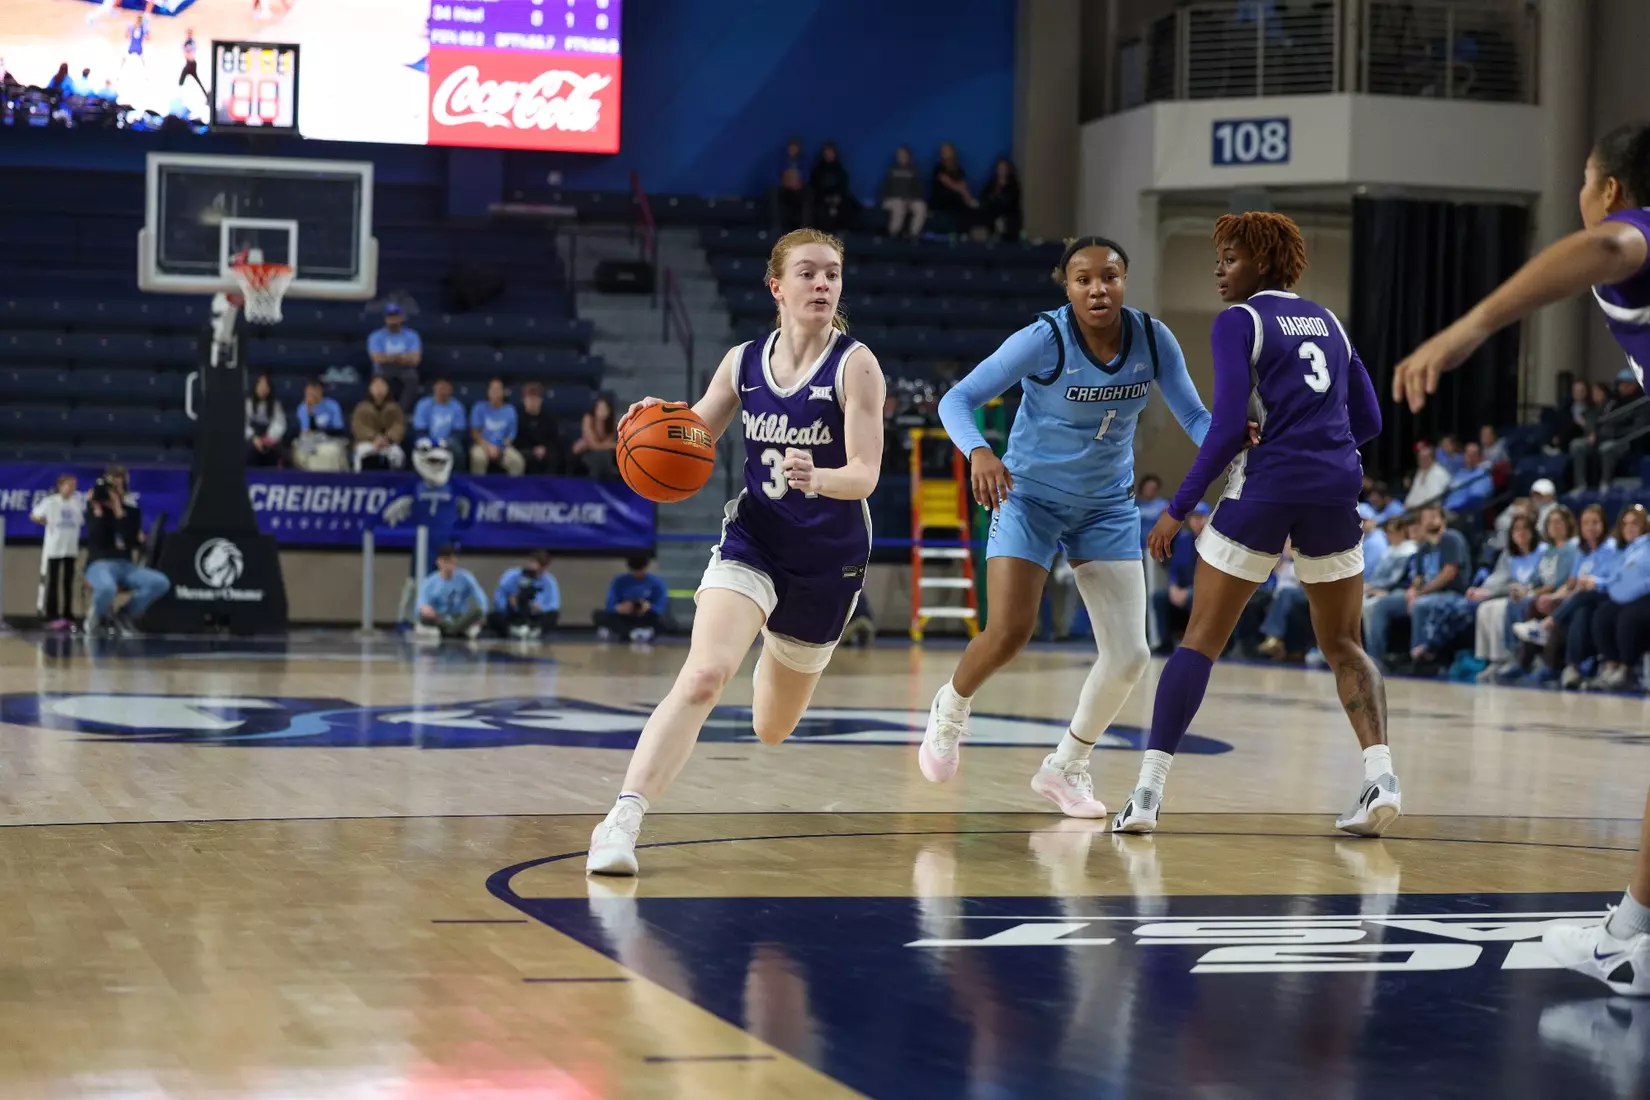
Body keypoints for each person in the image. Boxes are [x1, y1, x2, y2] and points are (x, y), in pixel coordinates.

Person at [1391, 122, 1650, 995]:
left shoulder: (1631, 231)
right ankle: (1631, 931)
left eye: (1584, 177)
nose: (1584, 193)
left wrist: (1467, 329)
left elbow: (1609, 247)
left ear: (1610, 188)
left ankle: (1630, 933)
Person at [586, 228, 886, 876]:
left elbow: (866, 473)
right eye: (807, 273)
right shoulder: (742, 361)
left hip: (830, 559)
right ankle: (621, 820)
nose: (822, 285)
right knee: (701, 675)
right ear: (777, 286)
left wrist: (822, 478)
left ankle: (773, 644)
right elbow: (692, 436)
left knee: (772, 729)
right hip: (756, 536)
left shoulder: (856, 365)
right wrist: (652, 421)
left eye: (832, 274)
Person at [920, 235, 1224, 820]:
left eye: (1109, 276)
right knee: (1010, 630)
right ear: (1067, 286)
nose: (1098, 288)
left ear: (1124, 281)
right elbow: (957, 400)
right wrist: (981, 451)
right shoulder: (1044, 338)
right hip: (1028, 496)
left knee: (1131, 654)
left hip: (1106, 506)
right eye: (1084, 279)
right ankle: (951, 709)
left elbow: (1192, 415)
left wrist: (1233, 443)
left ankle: (1065, 765)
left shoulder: (1153, 339)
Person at [1130, 211, 1396, 838]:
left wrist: (1176, 510)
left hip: (1267, 487)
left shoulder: (1239, 322)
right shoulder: (1330, 322)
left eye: (1229, 257)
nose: (1219, 269)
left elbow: (1227, 430)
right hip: (1335, 489)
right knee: (1343, 644)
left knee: (1199, 641)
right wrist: (1322, 449)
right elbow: (1372, 419)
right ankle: (1381, 777)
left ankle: (1146, 794)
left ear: (1262, 261)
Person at [1364, 501, 1470, 667]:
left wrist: (1422, 593)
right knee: (1381, 605)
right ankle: (1375, 659)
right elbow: (1418, 578)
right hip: (1425, 594)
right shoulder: (1424, 547)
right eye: (1426, 518)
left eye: (1434, 516)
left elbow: (1449, 572)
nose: (1431, 521)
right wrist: (1413, 591)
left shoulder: (1451, 538)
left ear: (1443, 519)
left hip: (1451, 593)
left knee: (1420, 605)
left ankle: (1418, 658)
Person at [82, 466, 169, 637]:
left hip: (126, 565)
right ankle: (97, 617)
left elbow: (131, 541)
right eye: (111, 488)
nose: (114, 493)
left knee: (160, 582)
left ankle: (124, 614)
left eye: (118, 487)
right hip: (99, 564)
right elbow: (97, 539)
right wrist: (98, 512)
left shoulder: (132, 512)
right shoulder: (94, 510)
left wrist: (118, 511)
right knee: (107, 588)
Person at [1151, 504, 1209, 654]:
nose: (1197, 521)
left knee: (1195, 599)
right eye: (1194, 518)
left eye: (1201, 517)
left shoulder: (1214, 543)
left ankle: (1196, 644)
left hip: (1204, 591)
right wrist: (1173, 587)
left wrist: (1190, 591)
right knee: (1160, 598)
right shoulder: (1183, 540)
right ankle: (1165, 643)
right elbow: (1175, 568)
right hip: (1182, 589)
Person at [31, 473, 82, 630]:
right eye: (68, 484)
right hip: (54, 547)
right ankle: (51, 613)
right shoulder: (50, 501)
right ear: (60, 486)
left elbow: (80, 521)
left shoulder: (77, 502)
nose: (71, 488)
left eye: (74, 485)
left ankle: (67, 612)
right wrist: (42, 520)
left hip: (70, 547)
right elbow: (34, 515)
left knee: (68, 582)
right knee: (52, 581)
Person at [414, 546, 488, 640]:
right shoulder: (430, 582)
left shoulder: (465, 577)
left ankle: (449, 630)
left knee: (477, 612)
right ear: (438, 562)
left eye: (451, 561)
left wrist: (483, 611)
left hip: (459, 616)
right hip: (440, 617)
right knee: (423, 618)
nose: (449, 564)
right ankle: (457, 630)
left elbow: (479, 595)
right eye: (445, 561)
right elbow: (421, 603)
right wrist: (425, 609)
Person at [596, 554, 670, 643]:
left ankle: (628, 632)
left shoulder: (657, 583)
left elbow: (661, 606)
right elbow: (610, 604)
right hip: (625, 616)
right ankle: (631, 633)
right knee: (599, 615)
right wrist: (619, 608)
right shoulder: (619, 581)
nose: (637, 573)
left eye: (640, 570)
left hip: (645, 616)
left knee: (663, 620)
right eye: (634, 570)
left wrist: (649, 607)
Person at [488, 550, 559, 639]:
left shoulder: (549, 581)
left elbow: (553, 605)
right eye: (530, 562)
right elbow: (498, 598)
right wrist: (509, 603)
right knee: (493, 616)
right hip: (513, 614)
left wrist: (541, 608)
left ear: (543, 568)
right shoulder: (511, 576)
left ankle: (535, 631)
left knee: (553, 616)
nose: (530, 566)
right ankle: (512, 630)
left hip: (534, 615)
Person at [368, 303, 423, 415]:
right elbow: (376, 358)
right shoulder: (376, 336)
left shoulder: (412, 335)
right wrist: (401, 357)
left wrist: (389, 357)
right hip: (383, 369)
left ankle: (399, 413)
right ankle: (384, 412)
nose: (392, 320)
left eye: (395, 317)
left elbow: (415, 359)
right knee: (378, 384)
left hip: (405, 368)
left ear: (401, 318)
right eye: (390, 317)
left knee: (412, 379)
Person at [468, 377, 524, 475]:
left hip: (503, 447)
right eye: (492, 389)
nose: (495, 392)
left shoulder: (510, 410)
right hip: (482, 444)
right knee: (478, 458)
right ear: (488, 392)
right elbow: (475, 433)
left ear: (503, 392)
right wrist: (488, 447)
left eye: (498, 389)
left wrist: (501, 448)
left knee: (517, 461)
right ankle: (478, 489)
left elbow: (510, 436)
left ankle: (513, 489)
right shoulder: (479, 408)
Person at [351, 374, 407, 470]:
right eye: (376, 386)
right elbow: (358, 427)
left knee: (398, 454)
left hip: (389, 443)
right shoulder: (361, 408)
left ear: (387, 389)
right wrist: (375, 438)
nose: (379, 389)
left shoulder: (395, 408)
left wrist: (387, 438)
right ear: (370, 388)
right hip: (367, 442)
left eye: (382, 386)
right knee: (361, 453)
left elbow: (399, 426)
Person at [292, 380, 348, 472]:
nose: (311, 393)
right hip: (309, 441)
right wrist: (310, 413)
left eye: (314, 390)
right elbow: (307, 432)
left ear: (320, 390)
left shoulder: (332, 405)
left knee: (331, 451)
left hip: (330, 440)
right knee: (304, 452)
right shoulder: (302, 408)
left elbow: (338, 429)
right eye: (308, 391)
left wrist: (322, 431)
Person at [929, 143, 979, 235]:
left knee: (974, 209)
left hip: (958, 204)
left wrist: (965, 195)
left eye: (949, 152)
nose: (947, 155)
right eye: (944, 152)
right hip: (942, 204)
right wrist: (958, 187)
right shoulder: (938, 169)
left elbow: (963, 187)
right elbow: (948, 182)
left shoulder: (959, 170)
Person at [808, 142, 857, 232]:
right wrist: (826, 198)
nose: (829, 155)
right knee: (819, 208)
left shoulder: (840, 170)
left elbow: (843, 186)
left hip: (838, 198)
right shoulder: (817, 170)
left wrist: (837, 197)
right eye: (827, 152)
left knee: (850, 204)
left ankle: (844, 232)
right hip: (822, 199)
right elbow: (814, 187)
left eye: (831, 152)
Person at [880, 146, 927, 238]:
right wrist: (900, 198)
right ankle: (893, 233)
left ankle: (913, 235)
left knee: (921, 206)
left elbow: (918, 189)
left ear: (909, 157)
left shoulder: (914, 171)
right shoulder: (891, 170)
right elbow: (886, 190)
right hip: (892, 200)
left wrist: (910, 199)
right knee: (899, 205)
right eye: (900, 155)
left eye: (904, 155)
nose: (902, 157)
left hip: (910, 200)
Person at [516, 382, 563, 475]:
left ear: (541, 400)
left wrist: (544, 448)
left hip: (545, 450)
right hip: (525, 449)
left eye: (535, 399)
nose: (532, 402)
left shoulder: (549, 417)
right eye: (529, 399)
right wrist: (532, 450)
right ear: (524, 400)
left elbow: (554, 438)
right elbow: (516, 439)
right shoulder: (517, 417)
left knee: (554, 455)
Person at [245, 372, 287, 467]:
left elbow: (280, 424)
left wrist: (268, 438)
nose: (263, 389)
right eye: (260, 385)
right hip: (252, 437)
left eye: (266, 386)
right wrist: (254, 438)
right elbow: (243, 424)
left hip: (269, 438)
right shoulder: (248, 404)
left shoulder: (276, 405)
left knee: (276, 451)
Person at [411, 378, 466, 450]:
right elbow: (420, 430)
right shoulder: (423, 404)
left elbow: (458, 431)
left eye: (445, 386)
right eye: (440, 386)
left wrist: (444, 443)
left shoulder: (457, 406)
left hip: (449, 443)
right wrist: (433, 443)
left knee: (456, 448)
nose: (442, 389)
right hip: (427, 442)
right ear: (434, 388)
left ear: (451, 389)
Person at [572, 395, 618, 480]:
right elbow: (594, 444)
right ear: (595, 409)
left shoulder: (612, 423)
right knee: (598, 459)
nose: (602, 411)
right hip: (586, 452)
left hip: (603, 453)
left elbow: (607, 443)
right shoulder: (588, 419)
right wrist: (612, 445)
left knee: (605, 456)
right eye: (600, 408)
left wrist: (605, 445)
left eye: (605, 409)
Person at [980, 157, 1023, 241]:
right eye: (1000, 168)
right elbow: (984, 200)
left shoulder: (1014, 186)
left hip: (1009, 219)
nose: (1002, 171)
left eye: (1004, 168)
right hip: (993, 217)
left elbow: (1011, 203)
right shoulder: (991, 185)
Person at [1403, 441, 1451, 510]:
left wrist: (1414, 508)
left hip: (1431, 510)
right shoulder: (1421, 471)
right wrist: (1407, 505)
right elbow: (1414, 493)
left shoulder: (1439, 473)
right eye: (1419, 458)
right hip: (1415, 510)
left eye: (1424, 458)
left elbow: (1433, 500)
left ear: (1432, 459)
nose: (1421, 461)